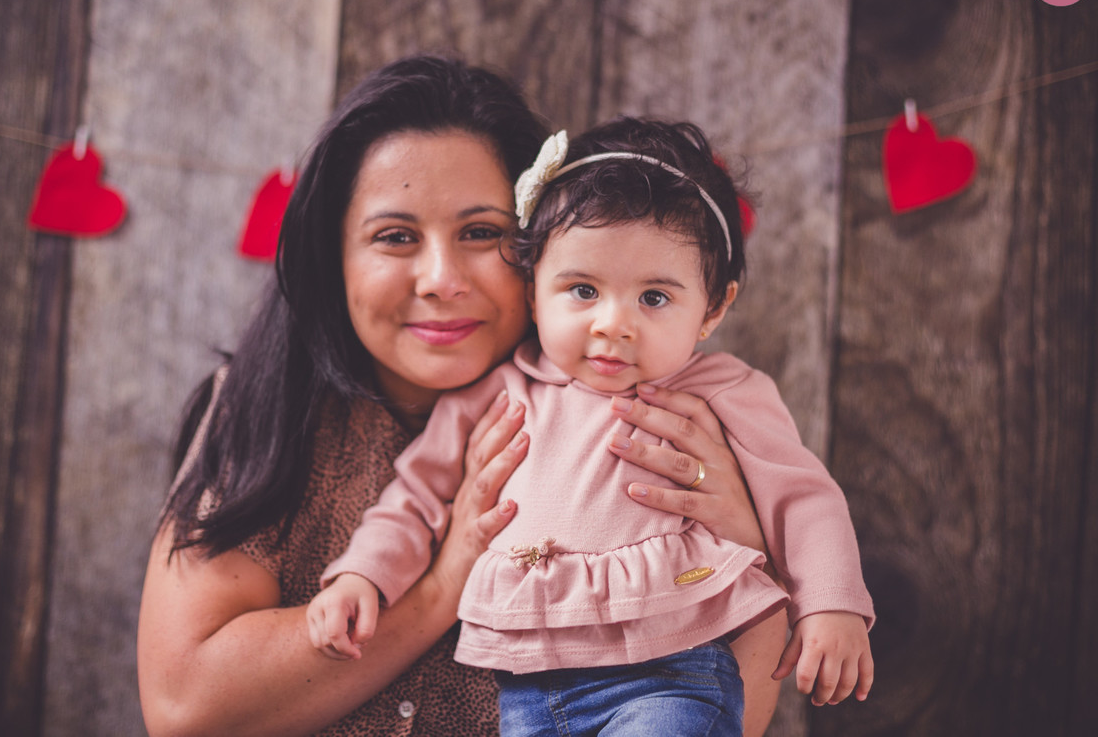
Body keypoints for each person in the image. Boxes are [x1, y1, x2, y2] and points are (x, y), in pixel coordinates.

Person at [137, 56, 787, 737]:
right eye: (395, 237)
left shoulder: (659, 413)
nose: (441, 278)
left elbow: (731, 708)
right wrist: (442, 587)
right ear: (336, 256)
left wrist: (746, 536)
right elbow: (188, 707)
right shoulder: (266, 405)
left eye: (482, 233)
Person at [307, 117, 875, 736]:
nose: (613, 323)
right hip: (529, 689)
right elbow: (414, 498)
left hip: (671, 669)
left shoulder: (723, 393)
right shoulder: (498, 392)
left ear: (713, 308)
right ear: (532, 292)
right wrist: (362, 574)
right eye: (582, 289)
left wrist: (832, 602)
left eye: (654, 298)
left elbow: (805, 498)